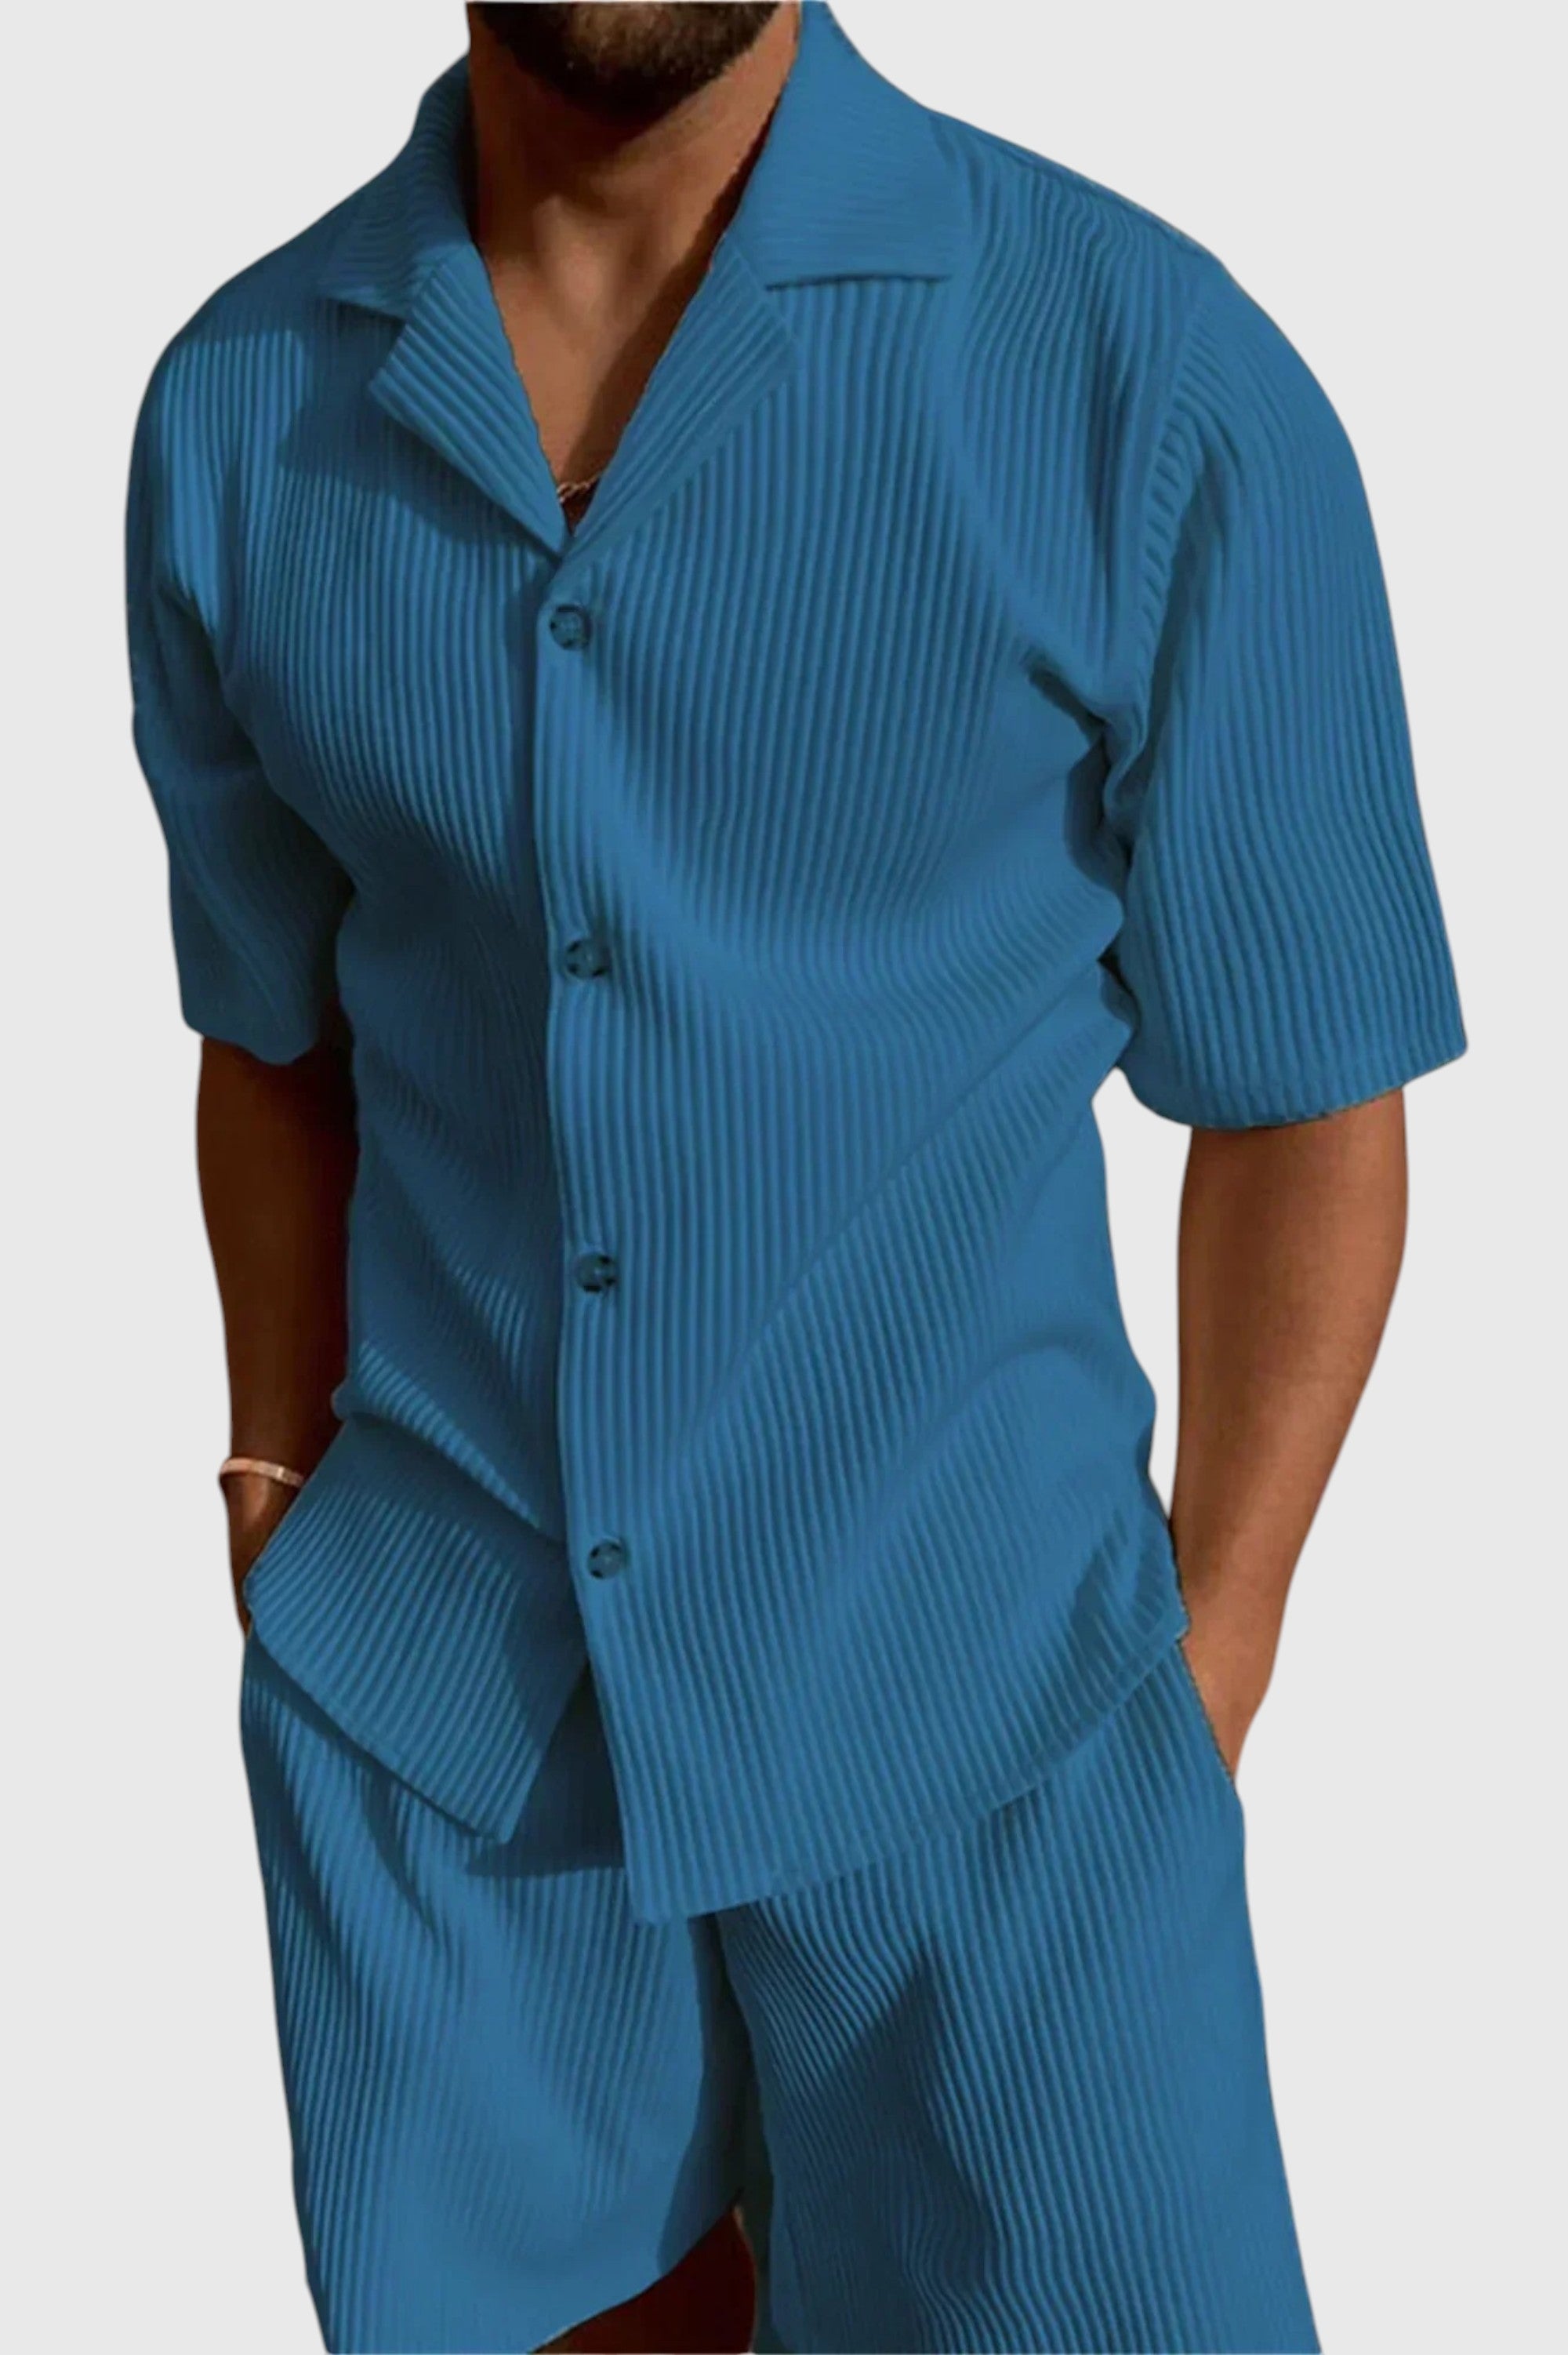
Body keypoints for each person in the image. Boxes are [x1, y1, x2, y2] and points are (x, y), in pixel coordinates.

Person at [123, 4, 1466, 2349]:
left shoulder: (1140, 373)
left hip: (997, 1743)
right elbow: (274, 1033)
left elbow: (1307, 1096)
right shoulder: (241, 407)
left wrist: (1212, 1650)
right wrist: (268, 1474)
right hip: (454, 1761)